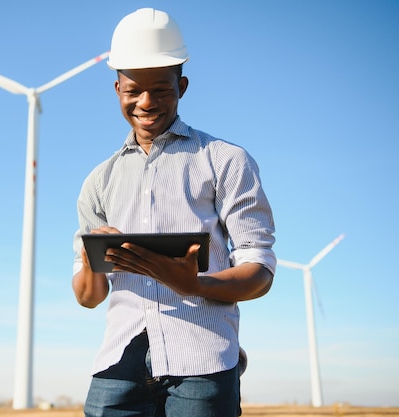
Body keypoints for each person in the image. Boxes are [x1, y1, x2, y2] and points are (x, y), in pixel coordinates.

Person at [71, 8, 276, 417]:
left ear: (181, 86)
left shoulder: (225, 161)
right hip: (119, 362)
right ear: (117, 90)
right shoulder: (99, 180)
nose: (146, 102)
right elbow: (88, 297)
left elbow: (261, 271)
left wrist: (194, 284)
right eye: (133, 90)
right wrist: (97, 257)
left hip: (203, 360)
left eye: (161, 89)